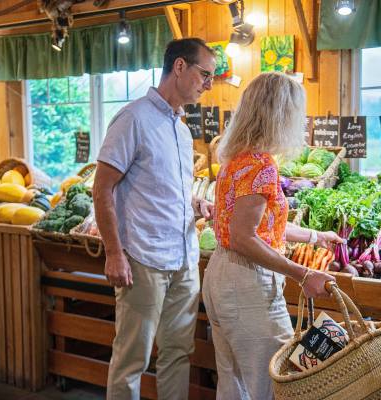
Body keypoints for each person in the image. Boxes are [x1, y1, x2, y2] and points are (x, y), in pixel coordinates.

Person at [202, 72, 344, 400]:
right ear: (281, 114)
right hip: (248, 283)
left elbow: (260, 227)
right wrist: (302, 272)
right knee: (275, 385)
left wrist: (313, 236)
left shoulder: (236, 158)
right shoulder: (261, 166)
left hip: (222, 275)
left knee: (234, 384)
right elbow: (243, 237)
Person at [93, 38, 216, 400]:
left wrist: (193, 202)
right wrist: (115, 253)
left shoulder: (181, 127)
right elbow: (102, 190)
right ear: (180, 67)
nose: (207, 85)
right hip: (143, 259)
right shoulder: (133, 119)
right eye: (204, 74)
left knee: (178, 354)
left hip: (183, 259)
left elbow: (159, 185)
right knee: (132, 358)